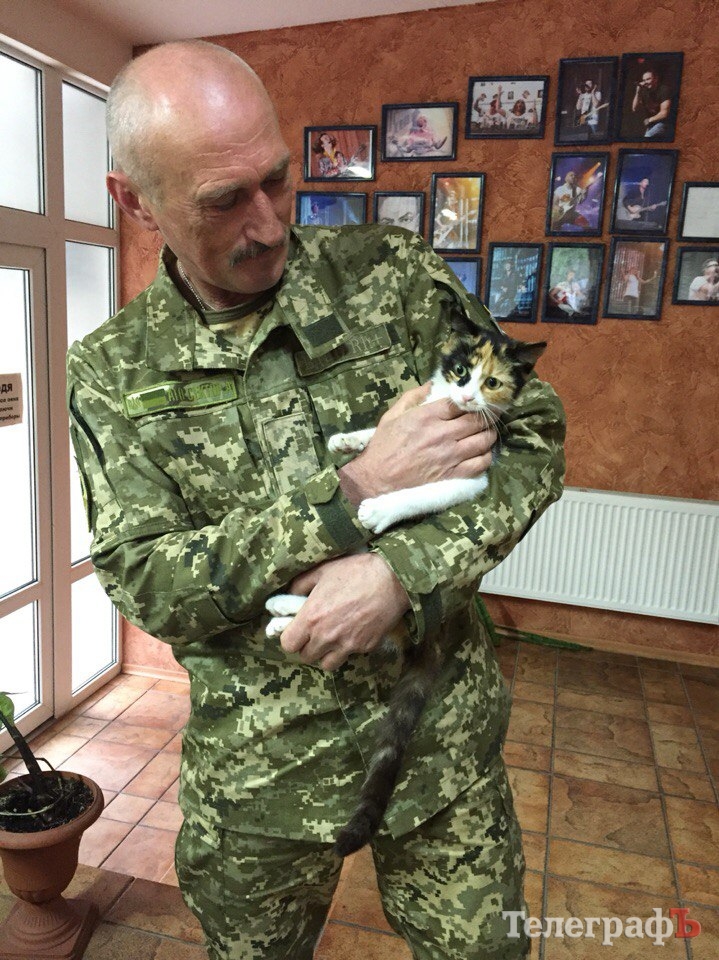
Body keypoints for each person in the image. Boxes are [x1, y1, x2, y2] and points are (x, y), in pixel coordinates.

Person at [67, 40, 565, 960]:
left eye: (276, 180)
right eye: (224, 200)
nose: (267, 225)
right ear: (134, 201)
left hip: (439, 749)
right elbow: (145, 580)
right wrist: (352, 491)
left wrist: (400, 574)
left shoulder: (394, 275)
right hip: (262, 782)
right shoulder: (111, 373)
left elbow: (528, 429)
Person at [631, 66, 673, 139]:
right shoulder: (644, 91)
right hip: (652, 124)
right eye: (644, 80)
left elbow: (664, 113)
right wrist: (638, 92)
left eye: (648, 79)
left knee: (648, 136)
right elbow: (635, 108)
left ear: (656, 79)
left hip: (665, 123)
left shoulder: (664, 90)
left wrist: (649, 120)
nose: (646, 82)